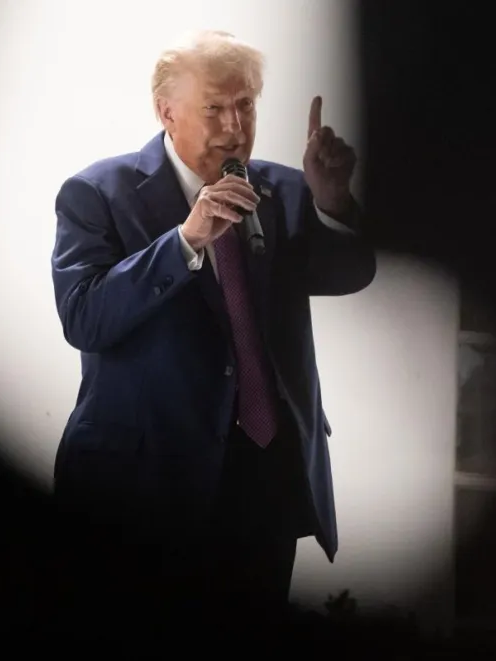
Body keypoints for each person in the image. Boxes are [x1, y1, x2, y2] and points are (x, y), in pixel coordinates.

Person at [49, 30, 375, 631]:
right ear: (166, 111)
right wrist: (184, 242)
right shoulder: (96, 193)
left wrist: (332, 204)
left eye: (246, 104)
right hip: (143, 487)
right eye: (214, 108)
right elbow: (84, 318)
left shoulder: (282, 190)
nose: (234, 125)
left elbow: (350, 274)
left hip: (265, 479)